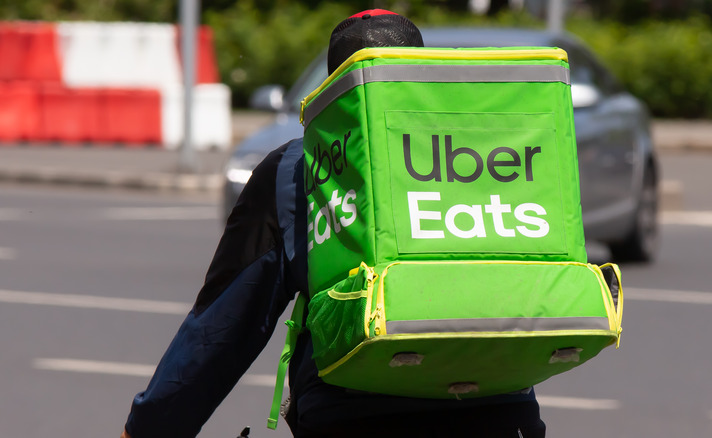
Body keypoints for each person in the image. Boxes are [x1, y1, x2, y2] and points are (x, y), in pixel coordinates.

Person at [121, 10, 546, 438]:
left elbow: (222, 329)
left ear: (332, 87)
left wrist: (148, 428)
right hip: (501, 407)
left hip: (353, 414)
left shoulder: (298, 167)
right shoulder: (482, 151)